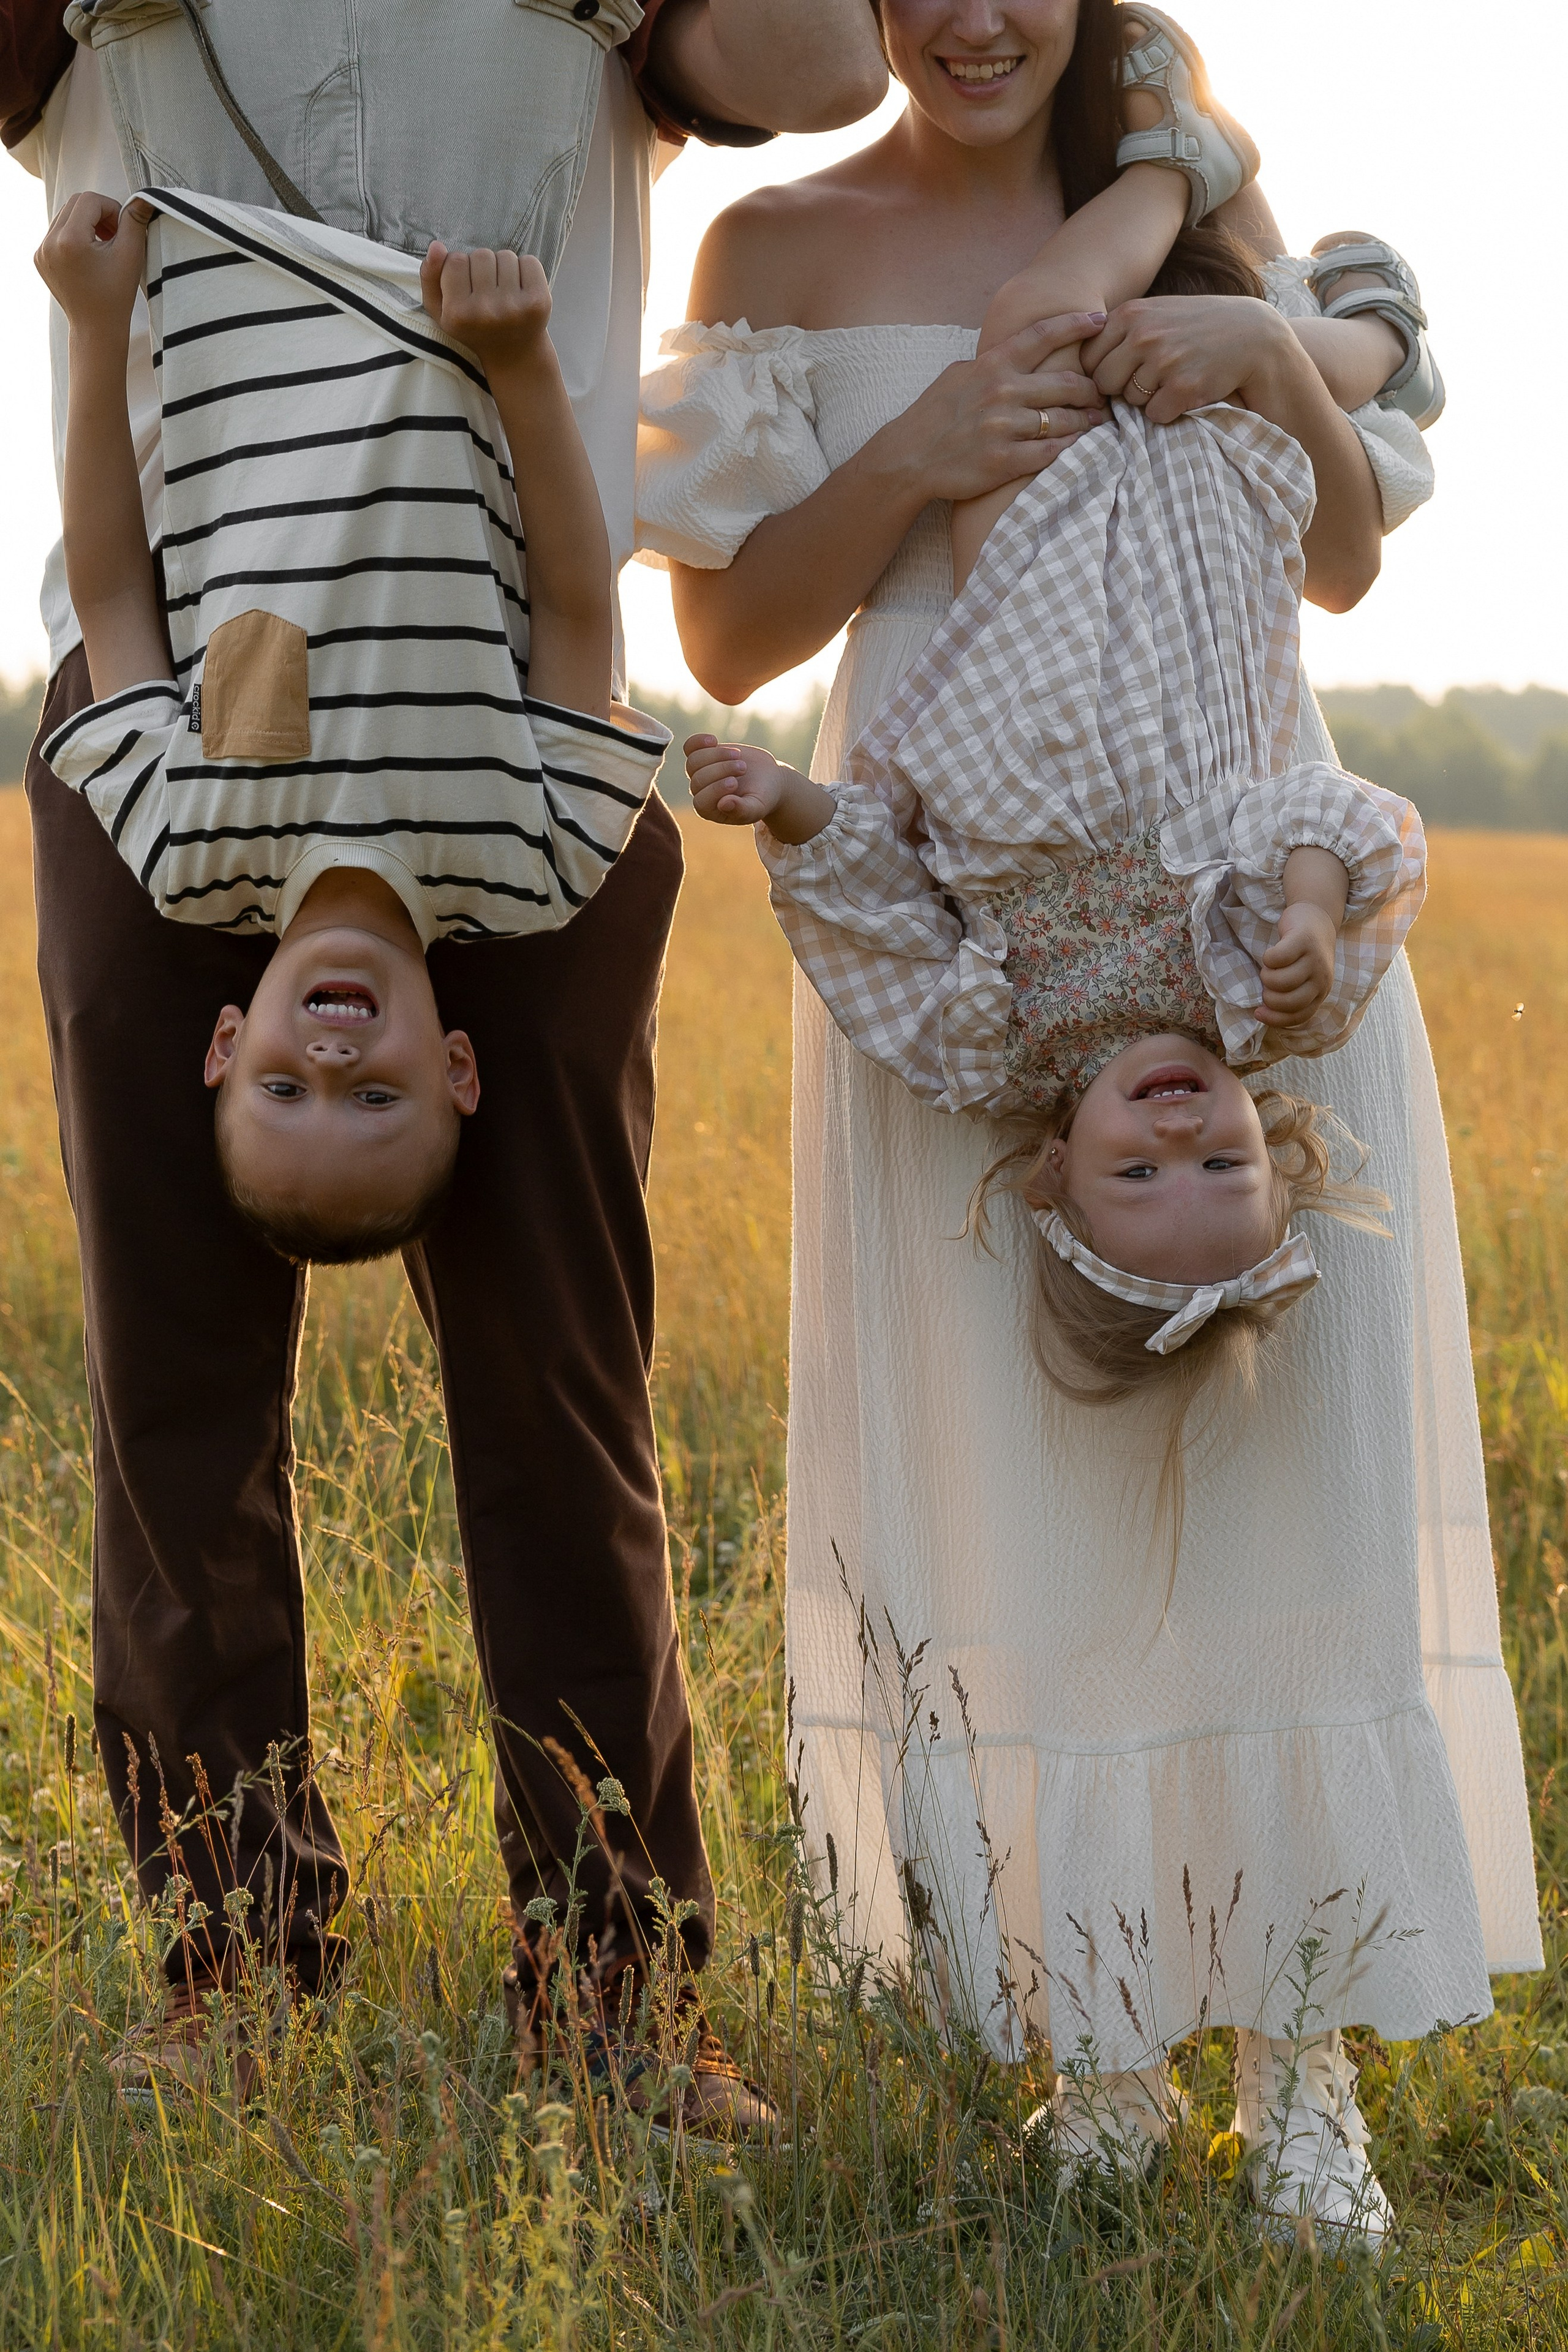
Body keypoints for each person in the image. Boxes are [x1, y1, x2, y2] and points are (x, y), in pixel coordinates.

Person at [638, 0, 1540, 2236]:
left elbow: (1342, 566)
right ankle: (1103, 2043)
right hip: (955, 917)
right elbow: (735, 630)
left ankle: (1306, 2055)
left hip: (1262, 890)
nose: (968, 16)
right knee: (1016, 1482)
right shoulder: (767, 241)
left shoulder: (1197, 213)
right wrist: (929, 447)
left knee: (1280, 1482)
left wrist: (1252, 356)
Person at [2, 0, 888, 2124]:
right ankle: (235, 1966)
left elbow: (824, 62)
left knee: (560, 1385)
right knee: (173, 1403)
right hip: (172, 751)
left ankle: (616, 1997)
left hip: (527, 729)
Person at [38, 187, 669, 1264]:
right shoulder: (540, 866)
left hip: (233, 285)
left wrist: (97, 328)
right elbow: (575, 609)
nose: (332, 1060)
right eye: (378, 1097)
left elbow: (109, 599)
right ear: (458, 1070)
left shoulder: (182, 852)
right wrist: (522, 365)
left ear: (227, 1045)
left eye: (283, 1087)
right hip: (457, 300)